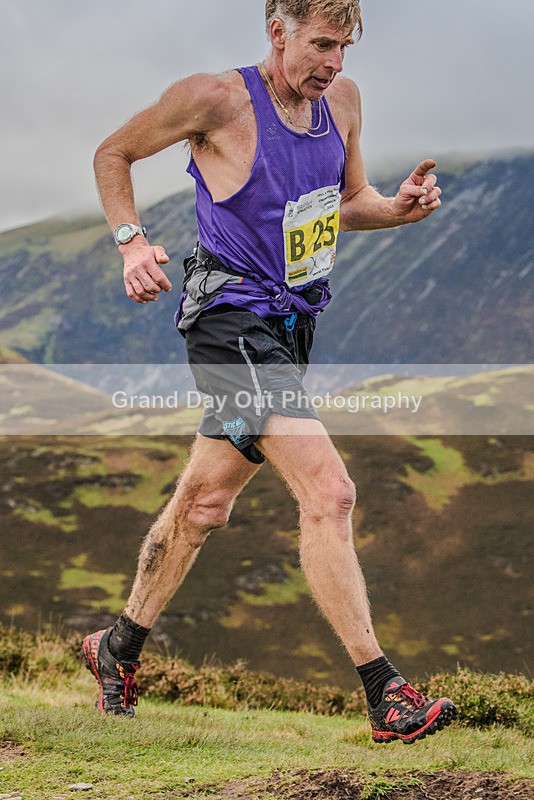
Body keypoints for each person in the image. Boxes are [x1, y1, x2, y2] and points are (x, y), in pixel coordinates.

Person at [83, 0, 457, 744]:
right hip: (228, 322)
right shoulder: (215, 99)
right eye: (320, 44)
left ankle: (116, 647)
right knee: (331, 491)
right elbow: (112, 154)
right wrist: (131, 242)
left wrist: (397, 209)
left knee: (204, 504)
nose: (333, 63)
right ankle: (386, 695)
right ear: (277, 32)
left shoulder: (342, 102)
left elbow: (346, 202)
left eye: (344, 47)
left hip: (290, 329)